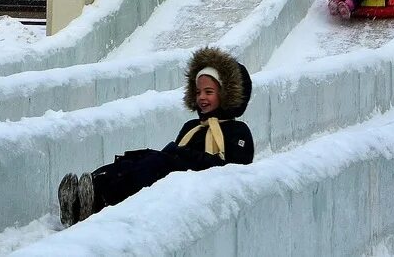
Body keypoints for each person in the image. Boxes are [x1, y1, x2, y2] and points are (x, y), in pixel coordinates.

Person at [57, 46, 254, 227]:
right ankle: (88, 189)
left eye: (209, 92)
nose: (201, 97)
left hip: (196, 190)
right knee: (139, 158)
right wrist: (175, 154)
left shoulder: (237, 131)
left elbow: (233, 170)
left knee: (155, 164)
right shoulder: (192, 127)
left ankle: (100, 200)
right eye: (198, 92)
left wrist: (179, 156)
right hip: (178, 174)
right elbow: (177, 154)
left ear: (227, 94)